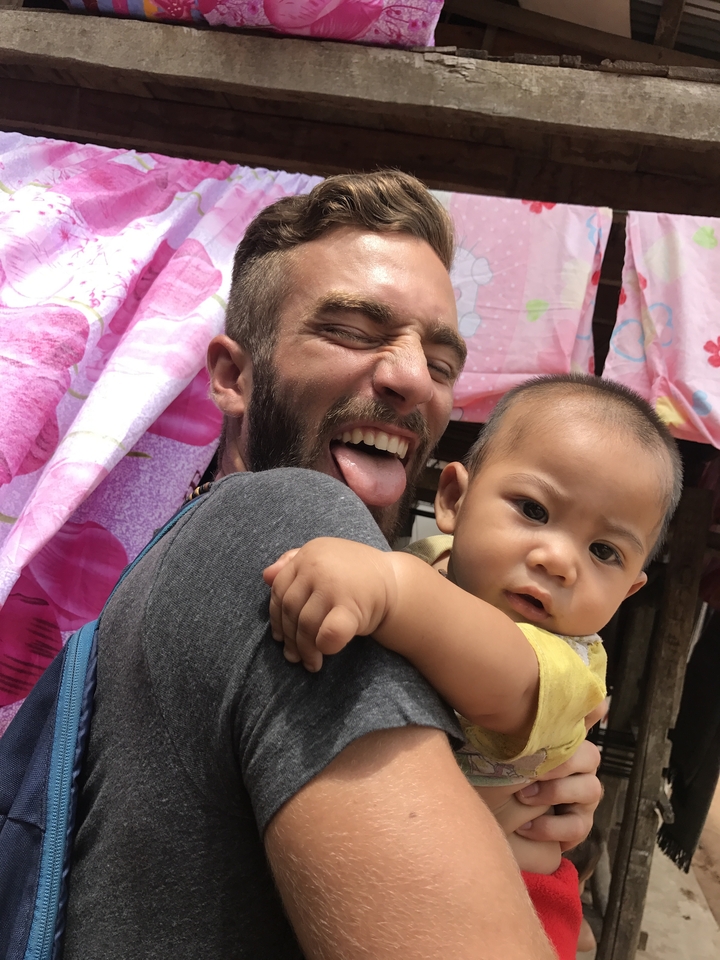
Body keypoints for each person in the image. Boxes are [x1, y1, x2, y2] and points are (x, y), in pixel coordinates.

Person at [63, 171, 601, 960]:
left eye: (442, 363)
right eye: (352, 330)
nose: (411, 377)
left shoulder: (178, 559)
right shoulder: (288, 526)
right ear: (233, 375)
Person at [265, 373, 681, 882]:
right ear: (454, 500)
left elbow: (505, 675)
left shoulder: (571, 666)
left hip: (486, 878)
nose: (559, 562)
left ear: (628, 592)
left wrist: (392, 589)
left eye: (603, 552)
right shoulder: (434, 559)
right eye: (534, 510)